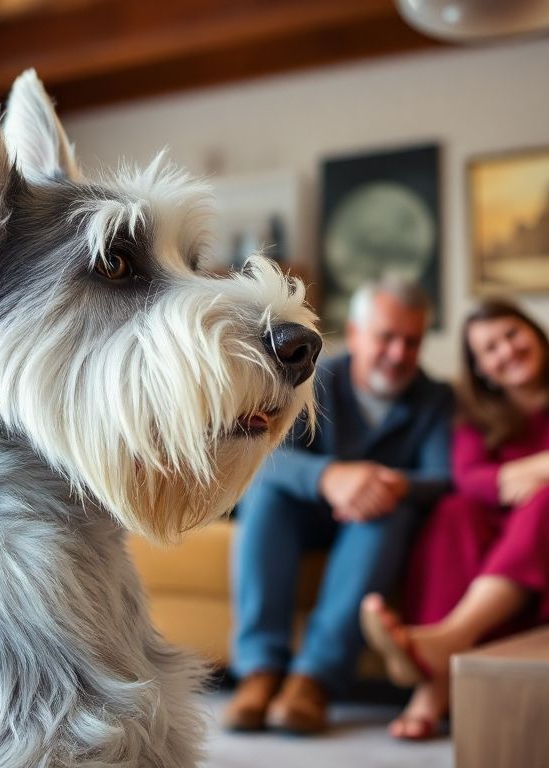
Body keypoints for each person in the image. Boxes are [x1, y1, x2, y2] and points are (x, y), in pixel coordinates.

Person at [361, 299, 549, 741]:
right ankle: (438, 678)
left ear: (536, 334)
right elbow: (469, 480)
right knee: (454, 511)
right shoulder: (472, 414)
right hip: (497, 526)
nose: (506, 350)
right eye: (489, 348)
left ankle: (447, 646)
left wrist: (522, 478)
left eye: (512, 334)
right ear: (481, 369)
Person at [224, 276, 454, 736]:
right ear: (354, 334)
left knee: (387, 509)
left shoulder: (436, 398)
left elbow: (443, 477)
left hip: (374, 522)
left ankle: (314, 680)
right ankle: (259, 671)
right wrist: (330, 477)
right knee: (265, 494)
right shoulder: (315, 377)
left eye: (411, 342)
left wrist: (386, 484)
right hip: (306, 514)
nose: (398, 354)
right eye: (386, 338)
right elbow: (266, 453)